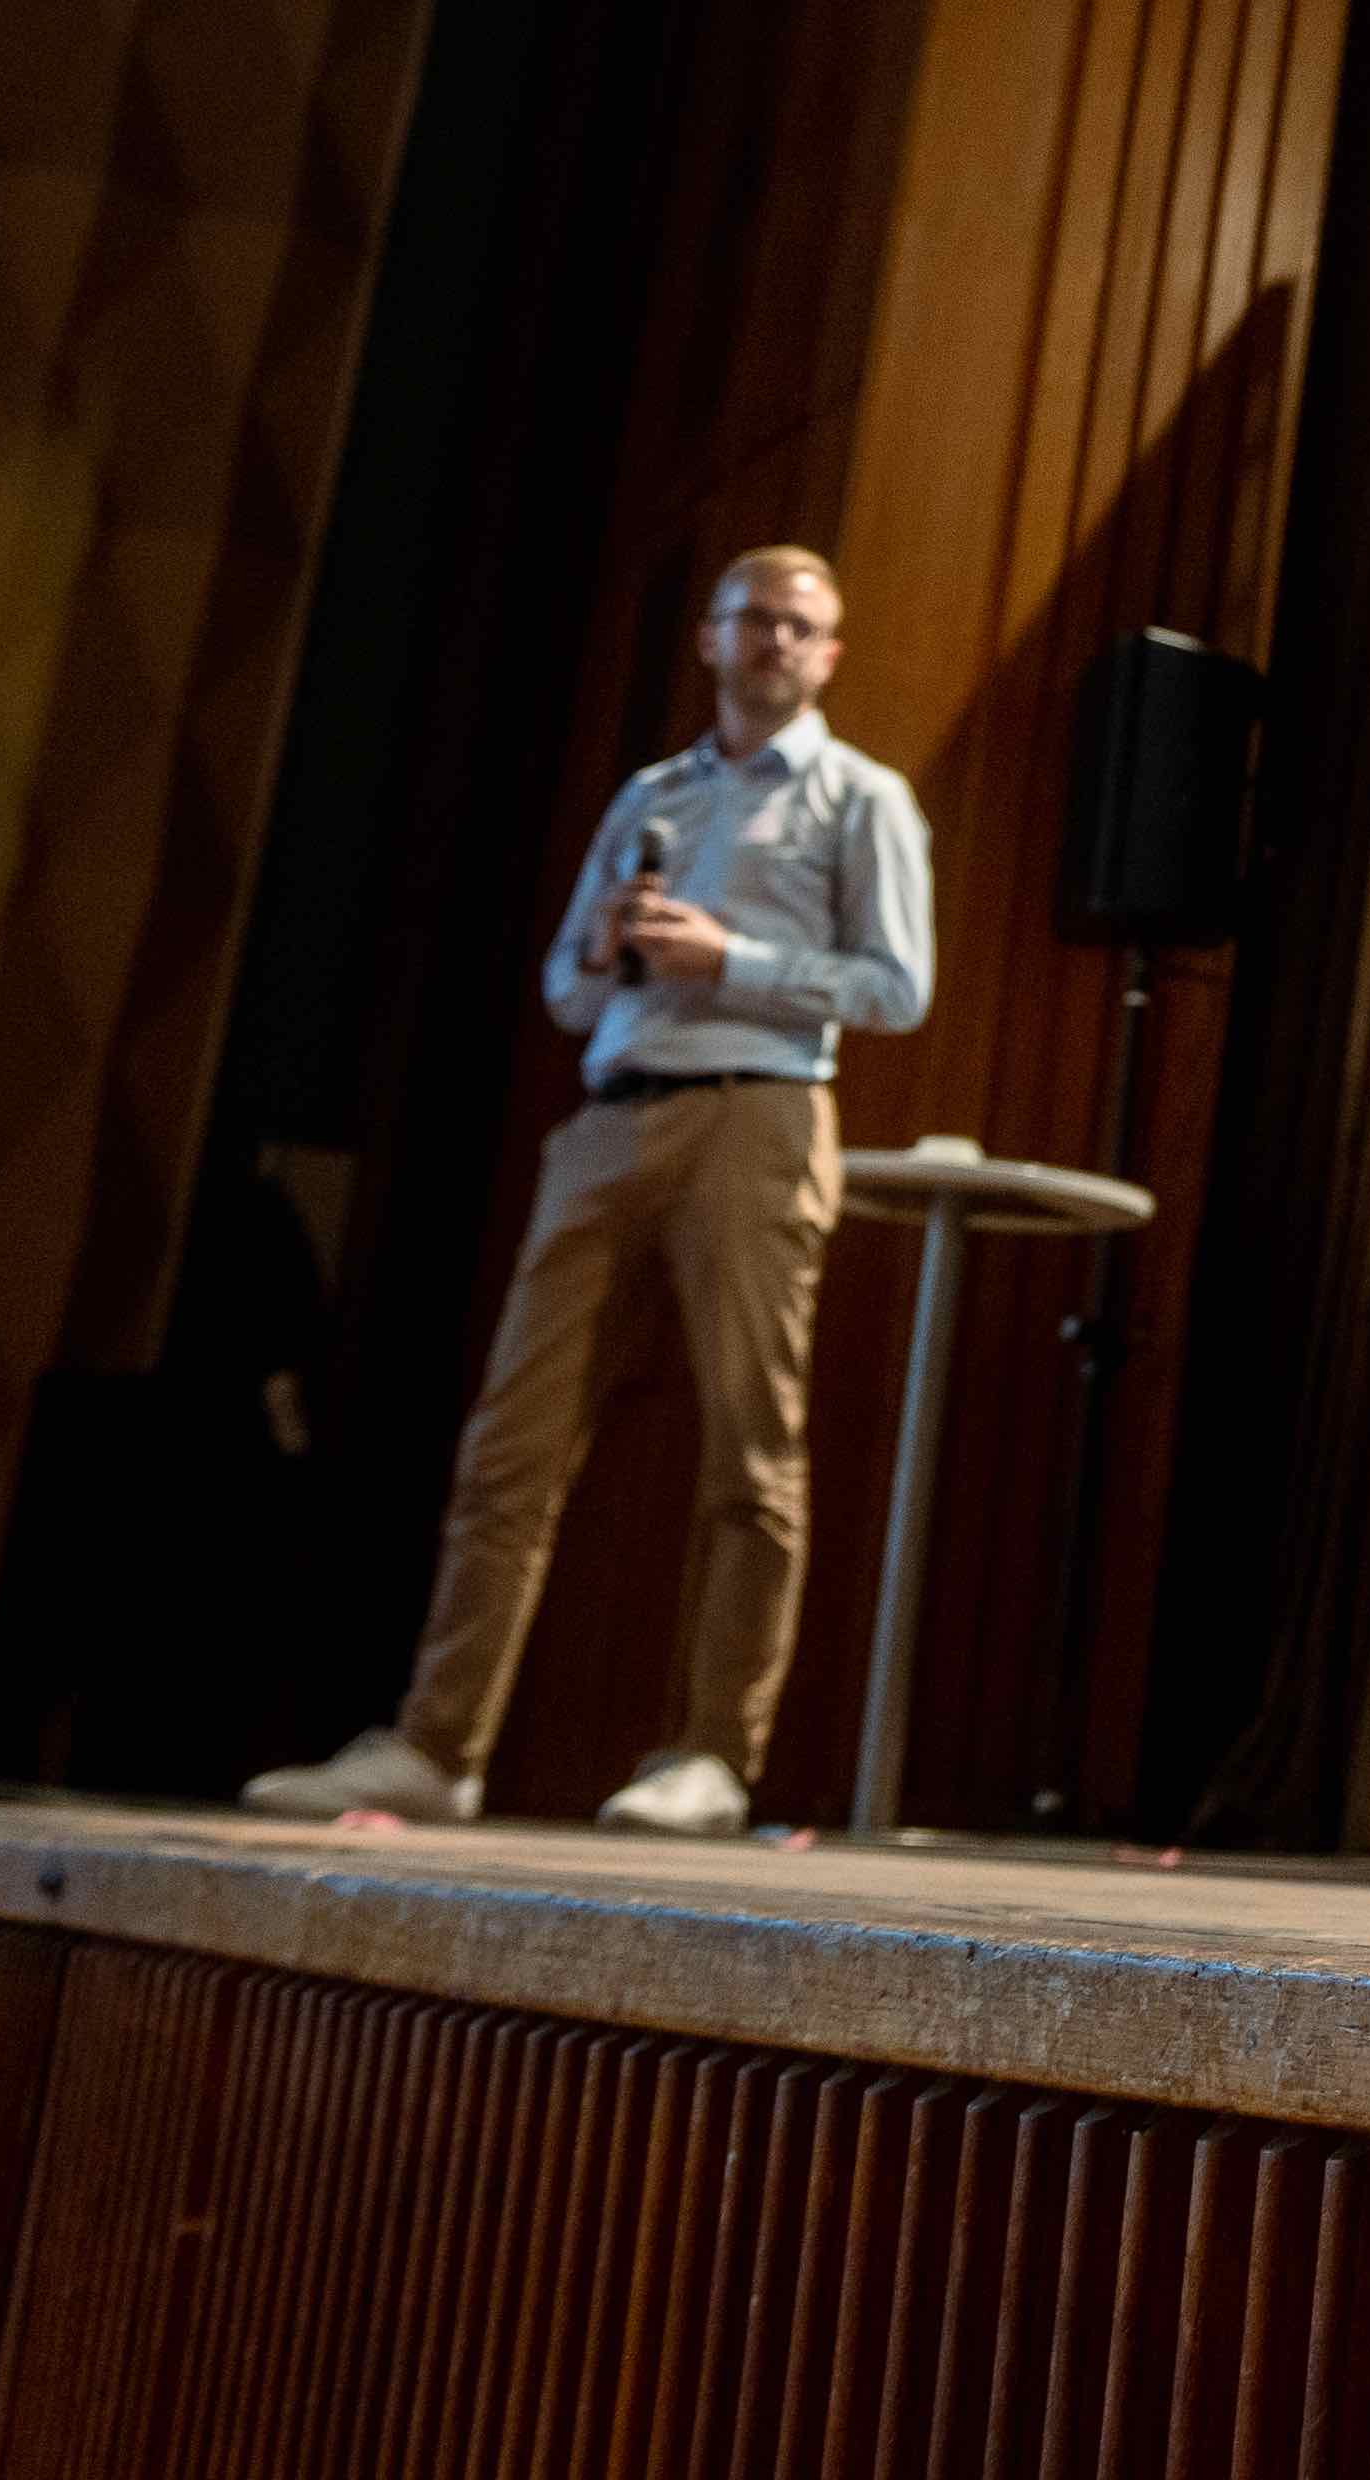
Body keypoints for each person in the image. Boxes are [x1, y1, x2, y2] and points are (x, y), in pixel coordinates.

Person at [247, 546, 935, 1836]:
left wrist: (733, 958)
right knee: (511, 1441)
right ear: (712, 640)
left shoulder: (863, 800)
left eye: (804, 628)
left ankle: (713, 1759)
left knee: (751, 1443)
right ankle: (437, 1750)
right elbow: (567, 992)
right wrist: (612, 948)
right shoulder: (652, 797)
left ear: (830, 655)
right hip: (612, 1117)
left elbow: (899, 988)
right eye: (757, 621)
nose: (778, 642)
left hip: (760, 1114)